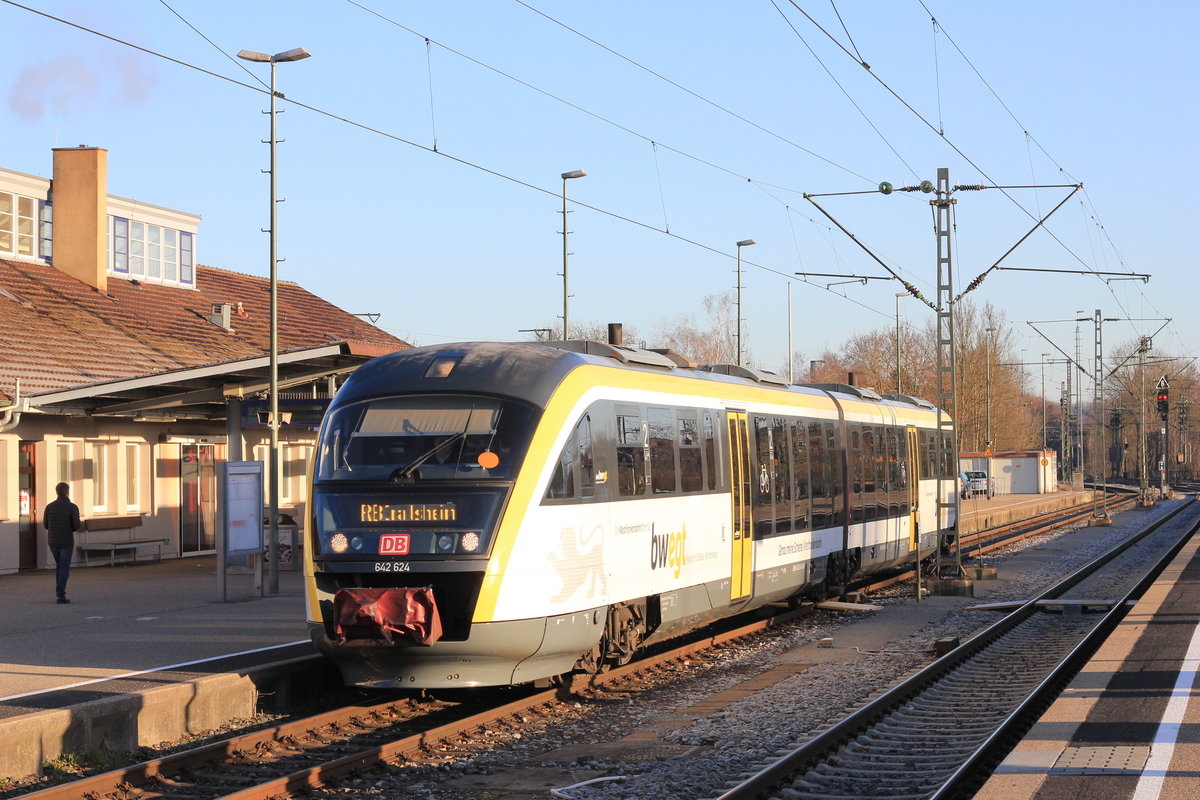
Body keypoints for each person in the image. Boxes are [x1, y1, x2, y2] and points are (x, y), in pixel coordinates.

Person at [43, 482, 81, 604]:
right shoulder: (72, 507)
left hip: (53, 541)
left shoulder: (49, 507)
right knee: (64, 567)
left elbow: (45, 525)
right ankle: (60, 594)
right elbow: (76, 526)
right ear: (67, 492)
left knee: (59, 565)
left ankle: (59, 593)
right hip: (66, 541)